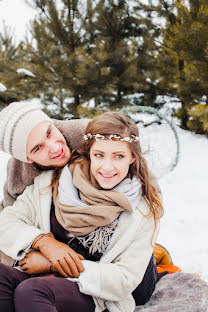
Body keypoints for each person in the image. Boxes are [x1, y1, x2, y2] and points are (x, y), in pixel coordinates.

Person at [0, 111, 163, 312]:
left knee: (32, 290)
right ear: (88, 153)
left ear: (132, 158)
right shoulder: (48, 183)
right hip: (58, 275)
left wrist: (53, 264)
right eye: (99, 155)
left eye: (119, 156)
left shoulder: (141, 206)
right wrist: (43, 242)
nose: (107, 166)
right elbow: (6, 221)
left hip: (98, 285)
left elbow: (123, 279)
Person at [0, 101, 89, 265]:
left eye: (49, 132)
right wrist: (39, 246)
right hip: (54, 247)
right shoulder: (18, 174)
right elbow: (7, 223)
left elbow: (142, 180)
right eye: (37, 148)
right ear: (27, 159)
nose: (55, 148)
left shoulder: (89, 135)